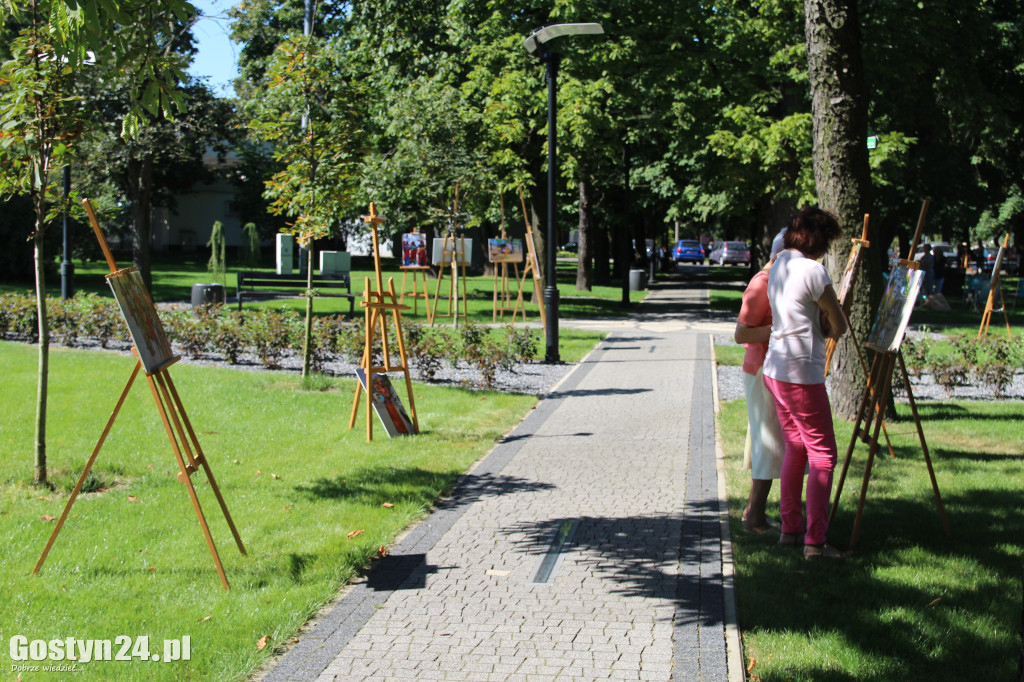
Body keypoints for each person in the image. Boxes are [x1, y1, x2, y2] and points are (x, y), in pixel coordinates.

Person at [762, 206, 848, 559]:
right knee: (823, 456)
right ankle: (815, 542)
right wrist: (827, 322)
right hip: (801, 374)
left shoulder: (780, 262)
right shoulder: (814, 270)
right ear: (818, 238)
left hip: (776, 369)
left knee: (796, 449)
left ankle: (790, 529)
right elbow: (838, 324)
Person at [734, 233, 786, 533]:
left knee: (765, 441)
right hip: (760, 370)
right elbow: (742, 334)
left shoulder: (773, 280)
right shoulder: (761, 283)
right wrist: (785, 328)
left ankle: (754, 511)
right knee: (767, 444)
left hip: (768, 368)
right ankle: (755, 519)